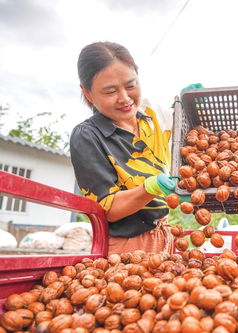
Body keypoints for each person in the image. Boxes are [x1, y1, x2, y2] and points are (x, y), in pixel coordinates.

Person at [70, 41, 179, 255]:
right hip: (125, 247)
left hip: (164, 234)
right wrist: (150, 188)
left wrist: (191, 104)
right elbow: (108, 209)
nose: (125, 98)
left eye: (130, 85)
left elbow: (189, 132)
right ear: (88, 94)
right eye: (110, 91)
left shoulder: (151, 118)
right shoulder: (88, 136)